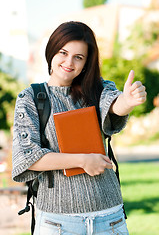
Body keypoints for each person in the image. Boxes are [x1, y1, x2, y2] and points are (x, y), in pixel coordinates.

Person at [12, 21, 146, 235]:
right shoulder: (30, 98)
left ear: (86, 63)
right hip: (57, 223)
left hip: (109, 218)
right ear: (52, 51)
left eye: (78, 57)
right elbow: (27, 157)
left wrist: (127, 102)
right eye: (63, 52)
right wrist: (83, 160)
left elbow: (113, 105)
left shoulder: (99, 88)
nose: (69, 62)